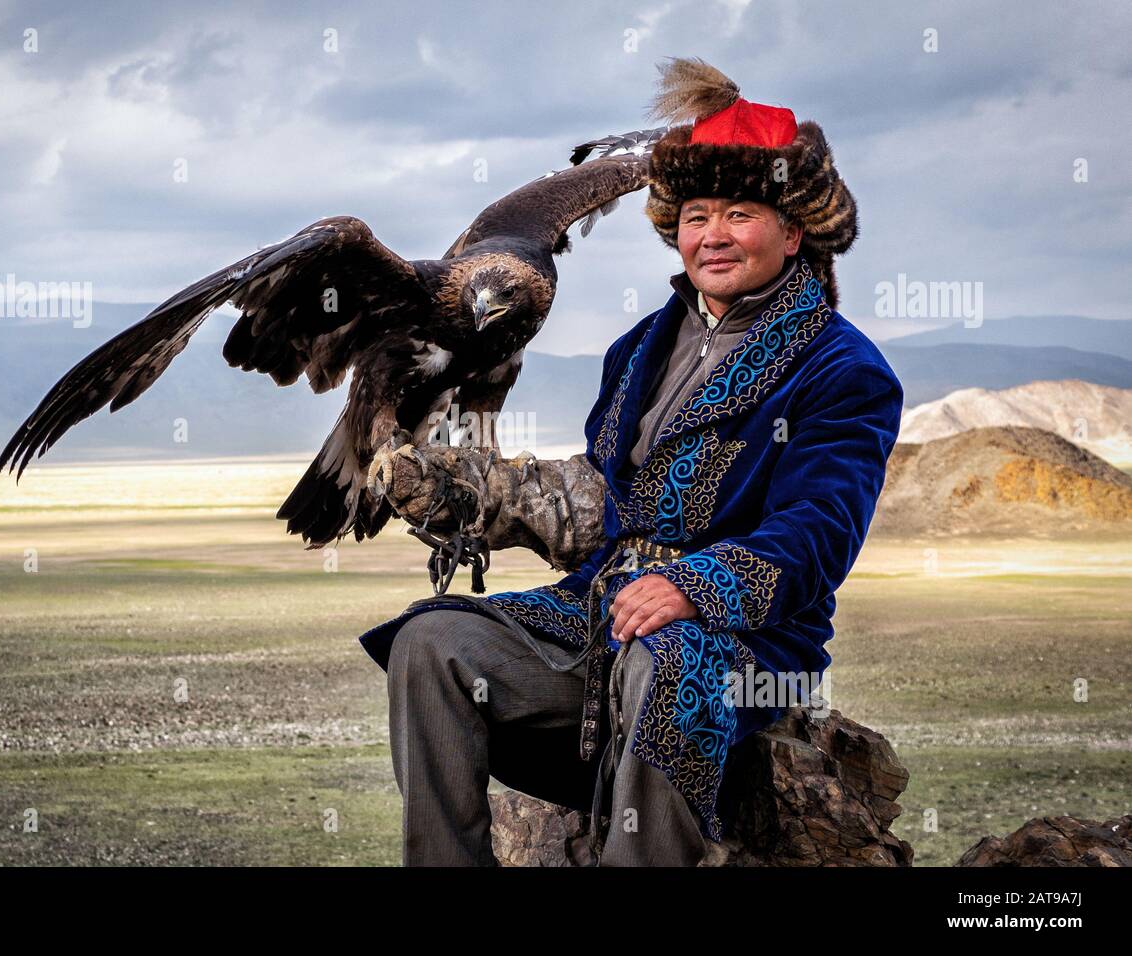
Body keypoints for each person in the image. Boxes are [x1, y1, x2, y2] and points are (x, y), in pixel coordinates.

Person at [356, 58, 904, 866]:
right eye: (695, 215)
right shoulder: (638, 347)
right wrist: (482, 497)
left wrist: (693, 585)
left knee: (665, 661)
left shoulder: (842, 369)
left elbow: (817, 535)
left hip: (753, 650)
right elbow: (607, 498)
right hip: (603, 614)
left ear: (793, 231)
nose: (712, 235)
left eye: (741, 213)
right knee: (432, 644)